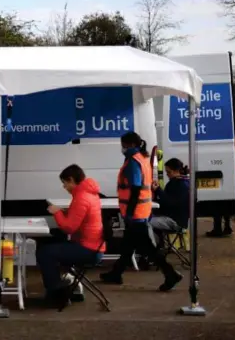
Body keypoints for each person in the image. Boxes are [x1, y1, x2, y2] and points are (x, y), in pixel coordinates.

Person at [100, 131, 183, 291]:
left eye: (123, 145)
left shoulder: (132, 162)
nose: (122, 148)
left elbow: (136, 187)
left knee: (148, 249)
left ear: (130, 144)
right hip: (142, 211)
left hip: (136, 213)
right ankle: (116, 273)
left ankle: (171, 274)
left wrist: (129, 212)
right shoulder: (142, 158)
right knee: (128, 245)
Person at [37, 164, 105, 306]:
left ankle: (56, 294)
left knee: (45, 252)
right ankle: (64, 288)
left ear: (72, 180)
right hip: (93, 246)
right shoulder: (90, 194)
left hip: (87, 249)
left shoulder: (81, 198)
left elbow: (69, 228)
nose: (64, 187)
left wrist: (57, 212)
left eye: (65, 183)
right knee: (50, 247)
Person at [150, 158, 190, 247]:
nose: (167, 174)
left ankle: (152, 249)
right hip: (178, 219)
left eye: (169, 172)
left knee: (146, 223)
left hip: (175, 221)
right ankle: (158, 245)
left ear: (176, 171)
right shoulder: (183, 182)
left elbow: (169, 202)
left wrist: (158, 190)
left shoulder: (179, 185)